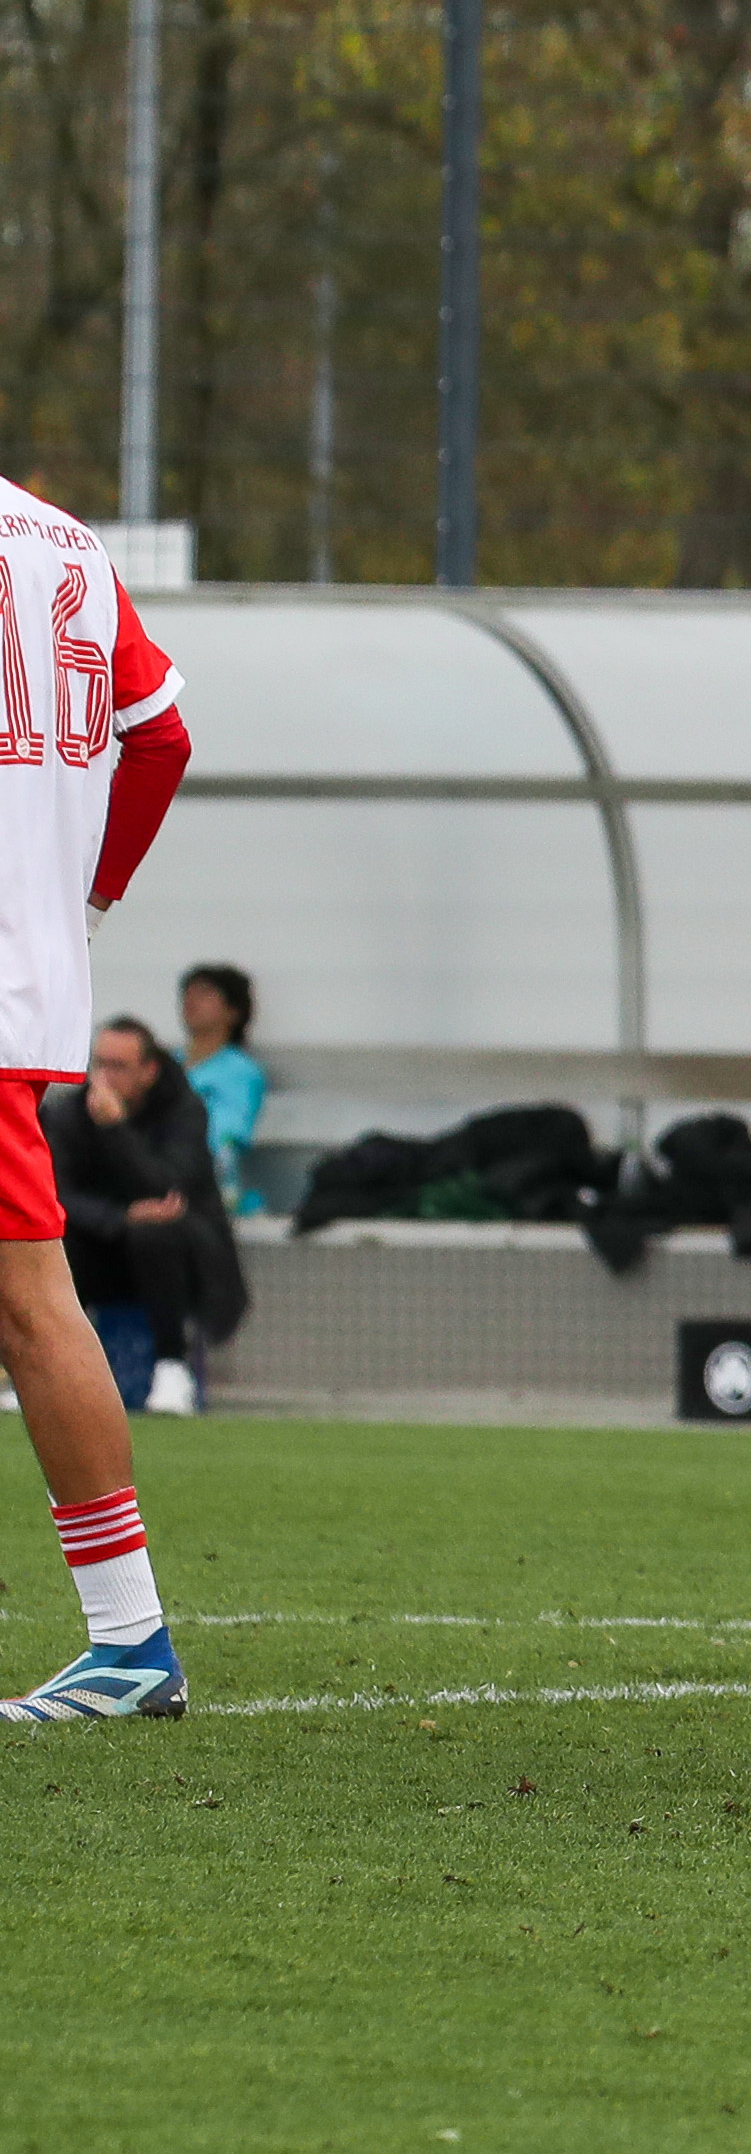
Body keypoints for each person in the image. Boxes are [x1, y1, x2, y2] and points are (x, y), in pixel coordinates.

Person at [0, 483, 197, 1723]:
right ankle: (128, 1642)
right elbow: (162, 733)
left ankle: (130, 1642)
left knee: (29, 1298)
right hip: (27, 976)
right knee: (27, 1294)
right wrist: (90, 895)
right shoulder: (62, 536)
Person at [49, 1020, 241, 1417]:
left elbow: (170, 1188)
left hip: (186, 1259)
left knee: (155, 1233)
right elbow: (57, 1196)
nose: (103, 1077)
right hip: (104, 1250)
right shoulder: (68, 1115)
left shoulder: (185, 1111)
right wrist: (121, 1217)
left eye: (118, 1066)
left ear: (149, 1071)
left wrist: (116, 1130)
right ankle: (48, 1372)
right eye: (99, 1064)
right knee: (55, 1236)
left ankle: (172, 1367)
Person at [173, 964, 265, 1216]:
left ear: (233, 1011)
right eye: (188, 992)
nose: (191, 1000)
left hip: (211, 1188)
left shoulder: (241, 1071)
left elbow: (226, 1135)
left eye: (205, 993)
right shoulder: (167, 1064)